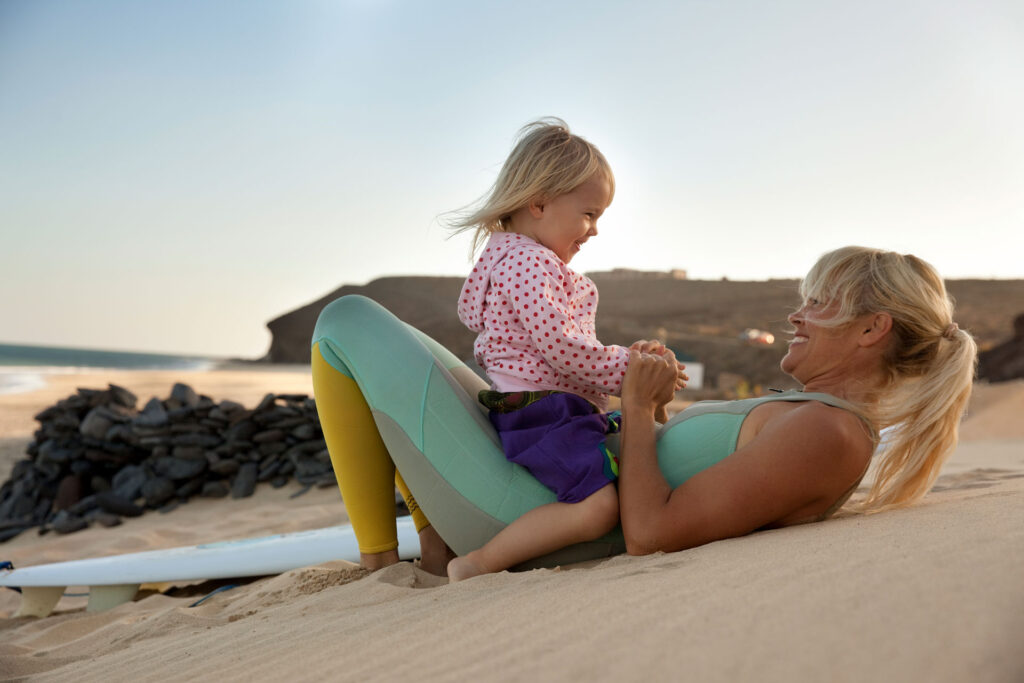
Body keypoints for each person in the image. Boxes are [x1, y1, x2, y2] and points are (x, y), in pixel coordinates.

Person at [310, 245, 976, 577]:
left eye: (820, 303)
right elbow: (672, 476)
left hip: (527, 514)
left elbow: (651, 532)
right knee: (392, 338)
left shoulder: (832, 434)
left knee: (346, 320)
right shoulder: (818, 416)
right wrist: (653, 411)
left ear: (871, 330)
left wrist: (633, 402)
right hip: (543, 492)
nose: (797, 315)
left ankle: (380, 565)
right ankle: (427, 542)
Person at [445, 119, 685, 580]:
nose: (593, 230)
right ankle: (479, 563)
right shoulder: (529, 262)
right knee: (596, 508)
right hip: (544, 414)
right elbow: (561, 347)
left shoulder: (516, 260)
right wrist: (631, 371)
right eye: (590, 214)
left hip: (551, 408)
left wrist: (628, 360)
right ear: (538, 203)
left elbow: (563, 347)